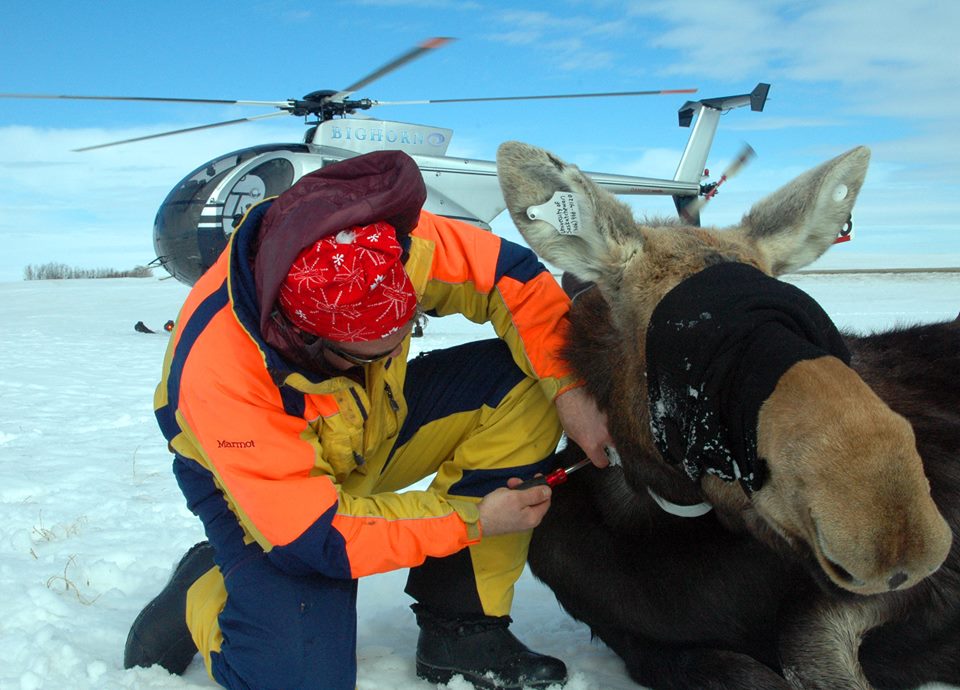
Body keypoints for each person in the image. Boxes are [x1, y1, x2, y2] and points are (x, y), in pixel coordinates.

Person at [123, 150, 612, 690]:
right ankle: (208, 589)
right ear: (304, 335)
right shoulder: (223, 374)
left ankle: (461, 625)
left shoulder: (378, 245)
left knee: (529, 385)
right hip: (257, 487)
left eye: (404, 333)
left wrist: (569, 389)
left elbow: (510, 276)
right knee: (300, 680)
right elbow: (317, 536)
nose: (391, 351)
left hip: (375, 419)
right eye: (366, 352)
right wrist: (473, 519)